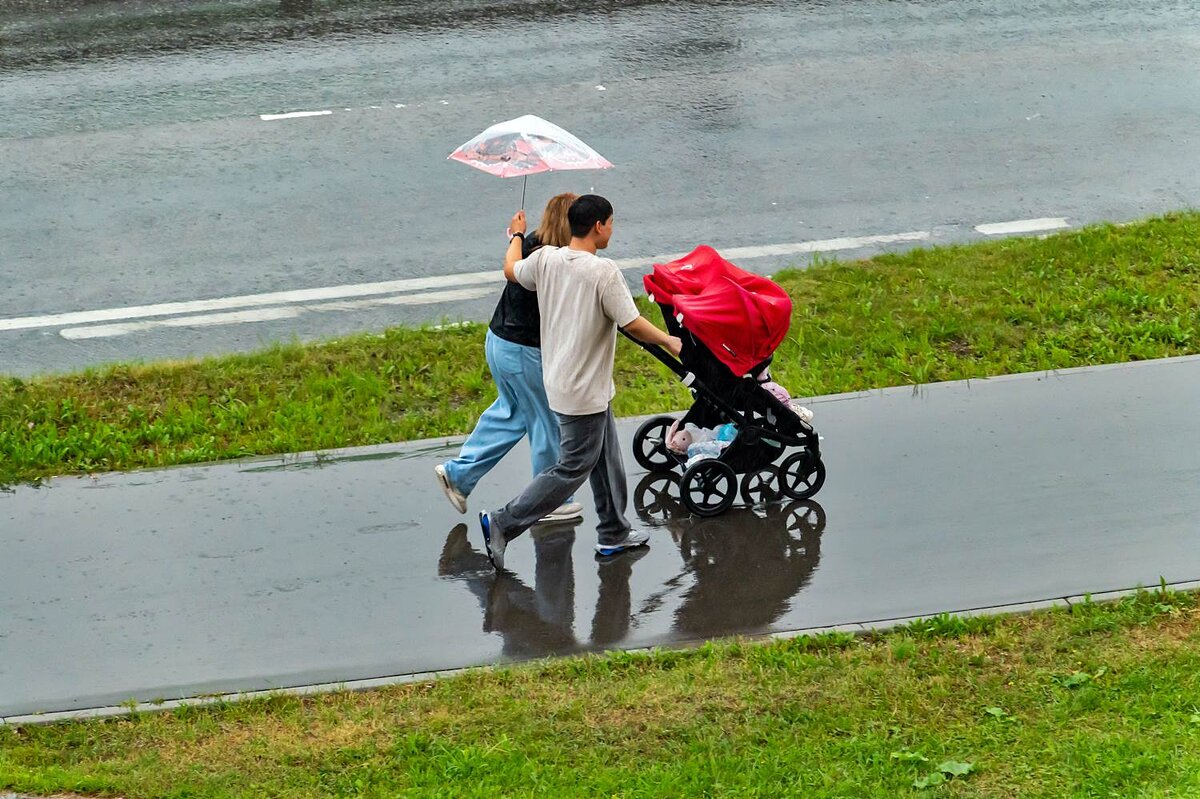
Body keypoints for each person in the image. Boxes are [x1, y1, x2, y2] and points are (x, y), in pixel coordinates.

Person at [479, 194, 683, 569]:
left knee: (606, 459)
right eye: (611, 222)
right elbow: (632, 323)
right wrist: (669, 340)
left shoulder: (544, 259)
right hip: (582, 389)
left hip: (564, 380)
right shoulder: (603, 272)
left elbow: (511, 269)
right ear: (599, 227)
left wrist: (516, 236)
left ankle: (614, 533)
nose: (612, 228)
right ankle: (503, 522)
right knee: (572, 468)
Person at [435, 193, 582, 524]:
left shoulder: (532, 242)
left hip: (498, 341)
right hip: (524, 352)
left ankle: (458, 476)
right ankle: (550, 499)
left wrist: (517, 232)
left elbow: (510, 265)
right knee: (547, 421)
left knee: (511, 414)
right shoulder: (556, 260)